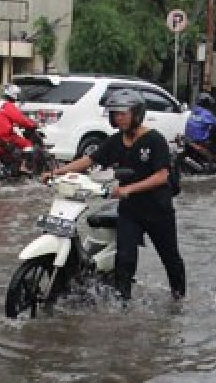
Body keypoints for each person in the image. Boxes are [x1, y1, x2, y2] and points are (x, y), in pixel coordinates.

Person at [45, 89, 185, 301]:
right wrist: (58, 172)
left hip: (158, 209)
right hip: (130, 210)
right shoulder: (115, 141)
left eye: (123, 113)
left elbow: (161, 177)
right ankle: (122, 304)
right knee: (125, 259)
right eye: (115, 114)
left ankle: (179, 299)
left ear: (137, 114)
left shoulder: (155, 141)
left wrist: (128, 189)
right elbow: (89, 160)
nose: (118, 118)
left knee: (170, 259)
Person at [0, 84, 39, 173]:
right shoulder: (8, 106)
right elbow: (20, 119)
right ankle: (23, 167)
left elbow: (4, 118)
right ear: (14, 96)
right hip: (4, 134)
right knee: (27, 144)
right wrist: (32, 124)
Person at [184, 92, 216, 169]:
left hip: (189, 137)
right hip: (199, 139)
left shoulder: (194, 110)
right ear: (206, 103)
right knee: (213, 145)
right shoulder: (205, 113)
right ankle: (212, 161)